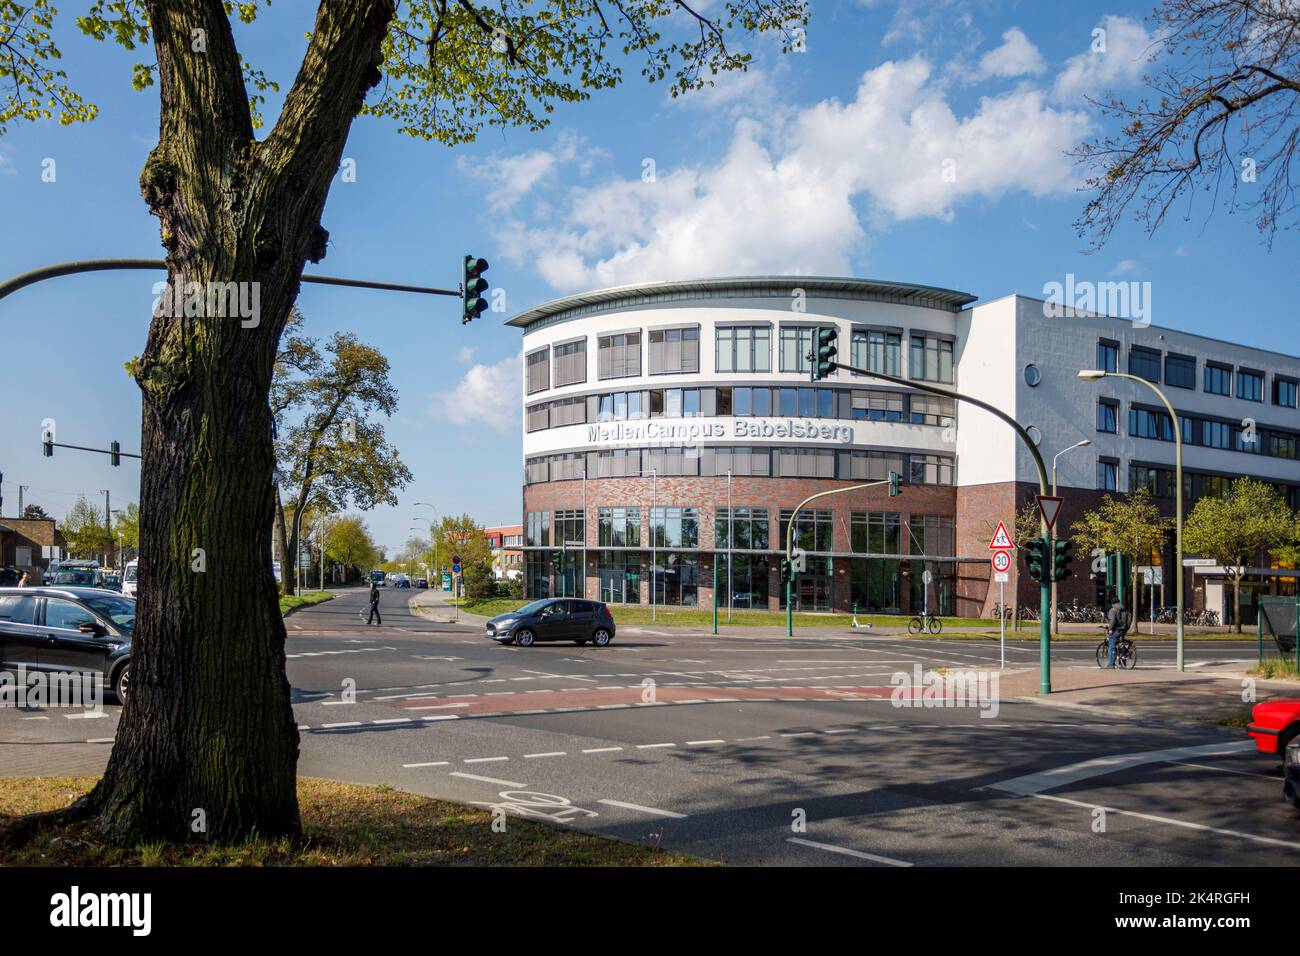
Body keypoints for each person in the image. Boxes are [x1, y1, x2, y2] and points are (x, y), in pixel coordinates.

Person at [1104, 599, 1131, 668]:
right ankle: (1123, 657)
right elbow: (1129, 620)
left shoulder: (1113, 610)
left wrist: (1110, 629)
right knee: (1121, 643)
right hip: (1124, 629)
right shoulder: (1124, 609)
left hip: (1117, 629)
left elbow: (1112, 621)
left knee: (1111, 644)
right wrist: (1125, 628)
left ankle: (1111, 664)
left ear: (1112, 604)